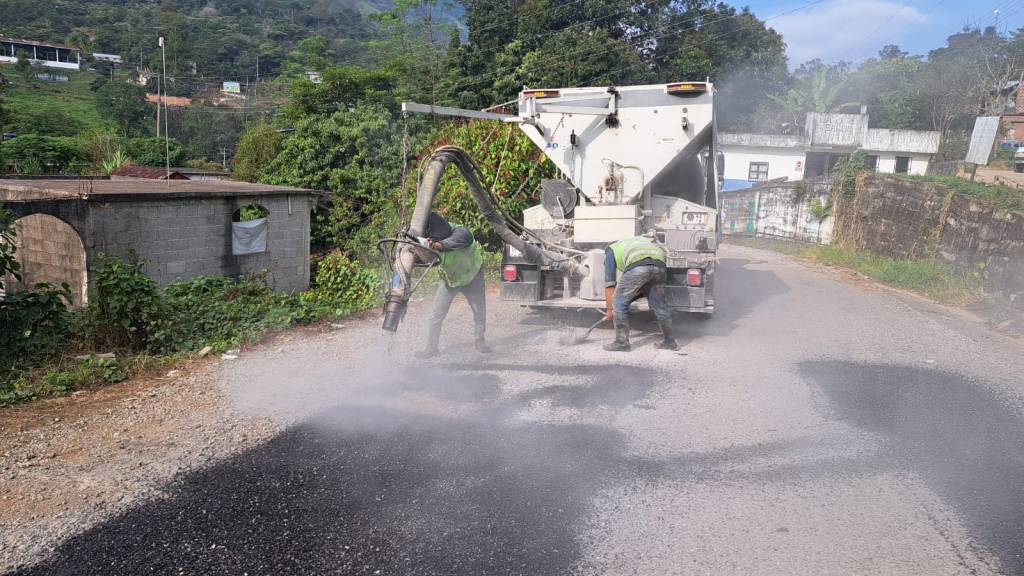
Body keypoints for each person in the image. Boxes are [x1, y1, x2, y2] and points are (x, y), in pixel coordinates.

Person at [415, 212, 491, 359]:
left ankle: (480, 342)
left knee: (479, 311)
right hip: (450, 281)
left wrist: (439, 245)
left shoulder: (460, 231)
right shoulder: (428, 239)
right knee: (436, 315)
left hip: (472, 277)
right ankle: (431, 349)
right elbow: (422, 258)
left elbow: (461, 239)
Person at [603, 235, 678, 352]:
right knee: (660, 305)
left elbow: (610, 284)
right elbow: (644, 282)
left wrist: (609, 310)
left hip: (639, 265)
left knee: (618, 302)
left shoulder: (611, 250)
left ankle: (621, 342)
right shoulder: (635, 242)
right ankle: (669, 341)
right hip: (660, 265)